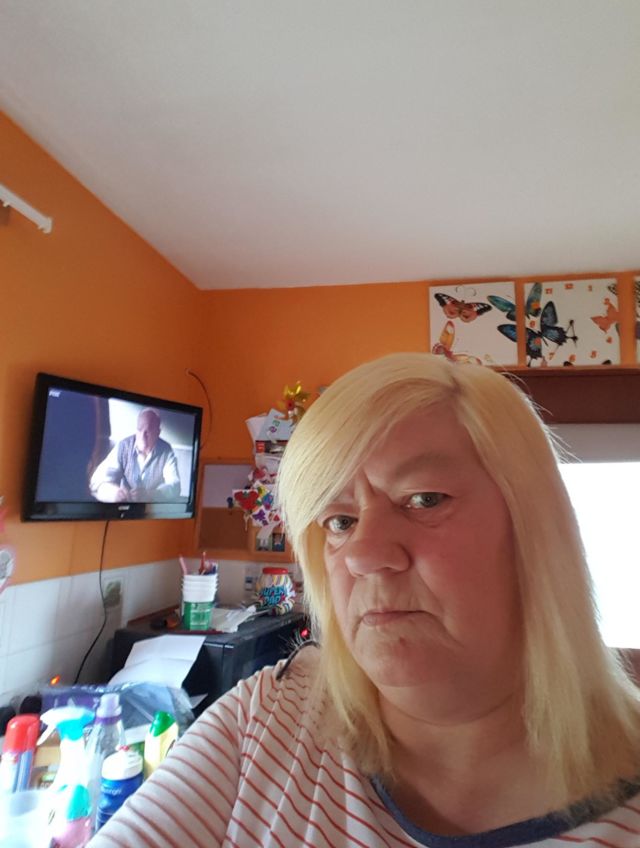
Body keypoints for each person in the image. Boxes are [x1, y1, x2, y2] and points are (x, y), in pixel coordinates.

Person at [89, 353, 640, 847]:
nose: (363, 555)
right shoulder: (265, 717)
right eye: (340, 521)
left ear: (533, 531)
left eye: (425, 499)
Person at [90, 408, 180, 503]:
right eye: (139, 429)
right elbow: (96, 479)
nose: (142, 436)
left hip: (151, 508)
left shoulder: (166, 450)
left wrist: (150, 494)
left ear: (158, 432)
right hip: (124, 507)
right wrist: (113, 492)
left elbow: (175, 486)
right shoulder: (123, 446)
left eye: (148, 431)